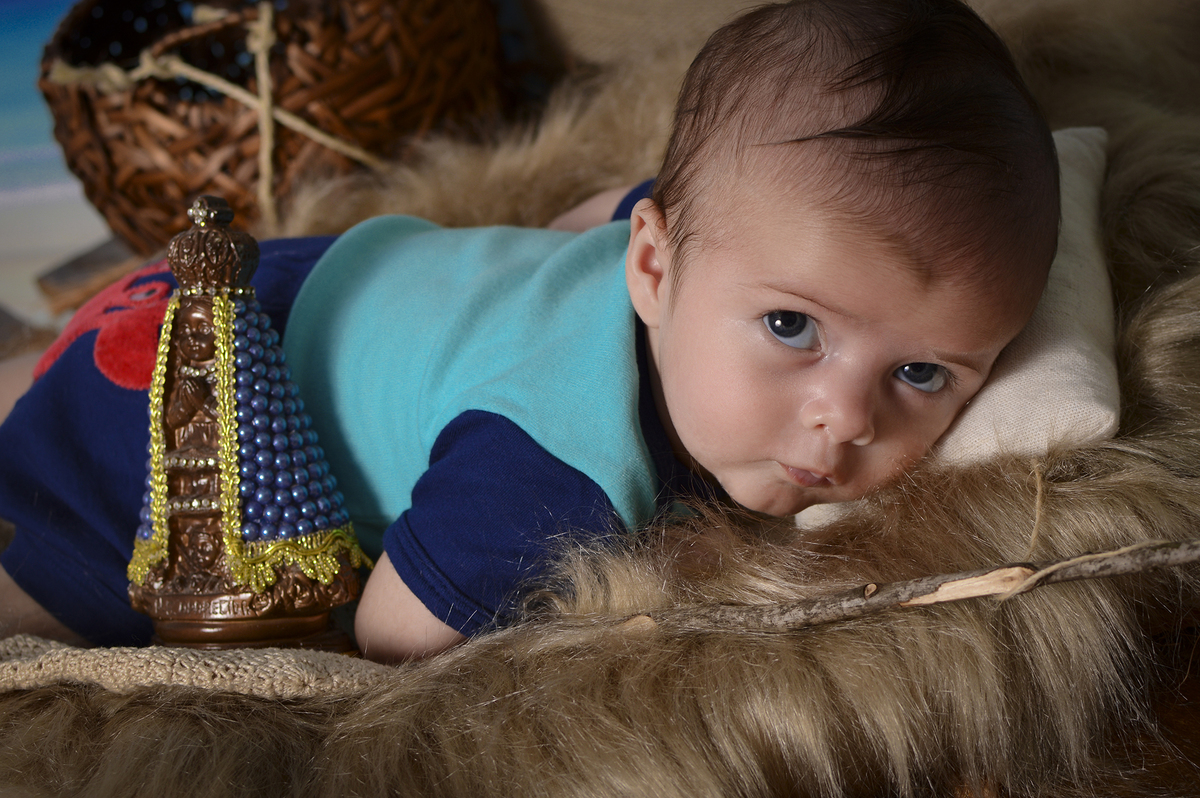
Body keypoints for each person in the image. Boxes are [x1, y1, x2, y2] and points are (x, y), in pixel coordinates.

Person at [0, 0, 1059, 660]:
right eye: (793, 328)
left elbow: (599, 207)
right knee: (50, 570)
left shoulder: (724, 240)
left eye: (921, 371)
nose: (842, 420)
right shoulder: (553, 474)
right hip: (183, 397)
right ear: (653, 264)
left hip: (345, 272)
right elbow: (393, 633)